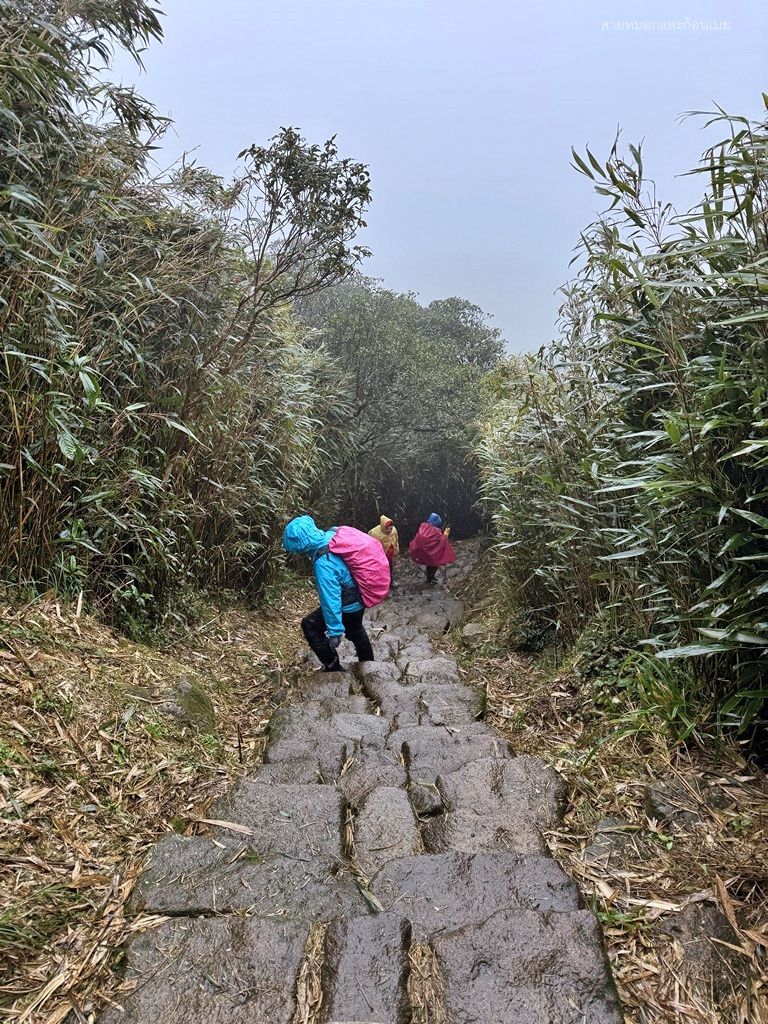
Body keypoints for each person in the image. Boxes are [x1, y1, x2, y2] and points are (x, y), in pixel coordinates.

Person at [282, 515, 374, 672]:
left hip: (349, 603)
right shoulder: (332, 536)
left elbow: (331, 600)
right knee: (356, 630)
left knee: (309, 625)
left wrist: (334, 632)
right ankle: (369, 666)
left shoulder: (323, 563)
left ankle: (334, 667)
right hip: (359, 595)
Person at [408, 512, 456, 584]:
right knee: (434, 564)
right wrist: (446, 533)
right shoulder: (436, 532)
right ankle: (431, 577)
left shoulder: (423, 526)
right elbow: (442, 541)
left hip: (424, 551)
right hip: (433, 552)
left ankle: (429, 577)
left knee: (428, 564)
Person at [368, 514, 399, 585]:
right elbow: (373, 546)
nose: (390, 530)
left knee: (390, 568)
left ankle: (390, 582)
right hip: (380, 555)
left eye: (391, 528)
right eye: (388, 529)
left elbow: (396, 540)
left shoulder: (394, 530)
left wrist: (396, 551)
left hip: (390, 554)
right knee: (381, 569)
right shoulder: (375, 533)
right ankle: (381, 583)